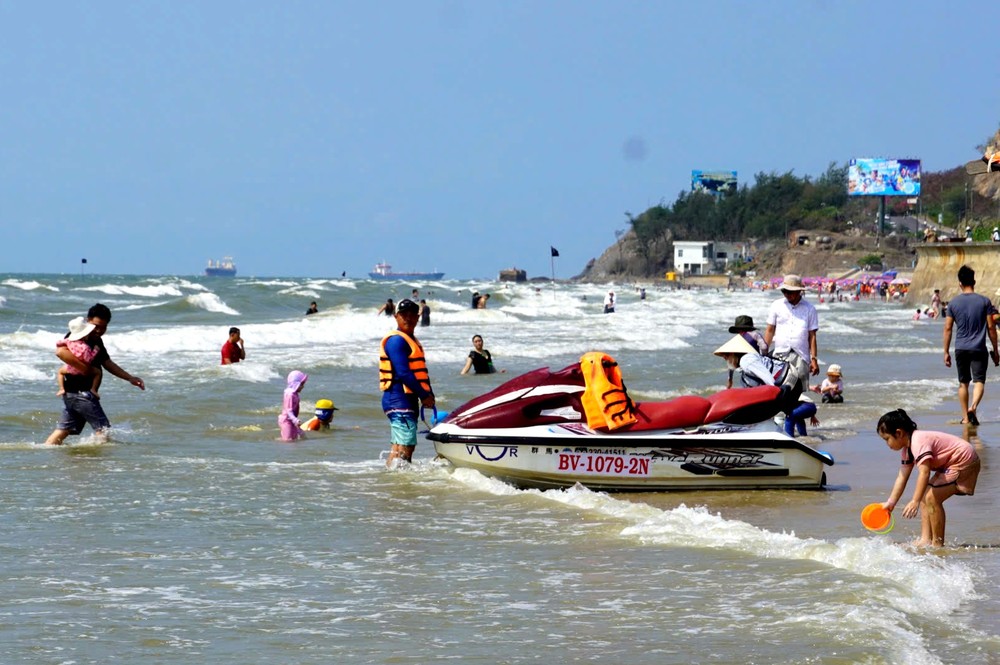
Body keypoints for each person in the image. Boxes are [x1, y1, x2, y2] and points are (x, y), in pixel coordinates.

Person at [876, 408, 980, 547]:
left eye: (887, 439)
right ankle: (926, 539)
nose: (887, 444)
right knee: (926, 495)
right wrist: (891, 502)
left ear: (899, 433)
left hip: (964, 461)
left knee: (931, 498)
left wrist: (914, 501)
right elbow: (902, 476)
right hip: (950, 463)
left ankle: (938, 544)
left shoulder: (918, 441)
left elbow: (924, 473)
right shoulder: (908, 450)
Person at [44, 303, 145, 445]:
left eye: (103, 327)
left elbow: (107, 363)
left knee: (63, 430)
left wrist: (130, 378)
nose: (99, 330)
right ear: (88, 320)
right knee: (103, 430)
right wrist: (87, 370)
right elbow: (60, 352)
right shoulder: (77, 336)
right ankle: (100, 464)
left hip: (72, 394)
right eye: (96, 326)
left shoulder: (96, 340)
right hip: (82, 394)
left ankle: (47, 455)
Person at [379, 299, 434, 466]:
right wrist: (424, 395)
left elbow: (419, 372)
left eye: (412, 315)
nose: (408, 319)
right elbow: (403, 373)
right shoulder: (397, 341)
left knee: (398, 446)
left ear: (418, 318)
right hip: (398, 399)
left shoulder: (410, 339)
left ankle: (392, 482)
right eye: (403, 315)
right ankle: (401, 484)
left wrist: (429, 394)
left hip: (404, 400)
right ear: (396, 317)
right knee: (406, 445)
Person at [943, 264, 999, 425]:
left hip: (961, 348)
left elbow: (948, 328)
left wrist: (946, 351)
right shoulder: (984, 302)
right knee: (979, 381)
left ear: (960, 283)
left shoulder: (953, 303)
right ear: (974, 281)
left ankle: (965, 418)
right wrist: (996, 350)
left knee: (963, 383)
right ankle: (973, 407)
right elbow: (990, 327)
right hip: (979, 348)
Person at [764, 274, 819, 382]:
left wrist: (814, 359)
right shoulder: (777, 305)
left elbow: (812, 336)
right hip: (780, 354)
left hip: (801, 356)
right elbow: (770, 330)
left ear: (799, 291)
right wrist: (764, 352)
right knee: (779, 386)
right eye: (784, 291)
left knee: (797, 388)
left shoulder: (810, 309)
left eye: (790, 292)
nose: (786, 294)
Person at [55, 316, 103, 399]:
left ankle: (62, 388)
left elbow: (59, 343)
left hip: (70, 368)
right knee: (98, 372)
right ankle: (93, 389)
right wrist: (95, 350)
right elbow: (89, 359)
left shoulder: (68, 341)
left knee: (60, 372)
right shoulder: (85, 347)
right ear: (85, 334)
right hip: (83, 369)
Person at [278, 370, 308, 441]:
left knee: (299, 437)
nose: (303, 387)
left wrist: (294, 420)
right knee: (288, 441)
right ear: (296, 384)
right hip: (287, 421)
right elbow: (289, 410)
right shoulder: (290, 394)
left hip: (292, 420)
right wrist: (295, 420)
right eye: (301, 384)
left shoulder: (294, 393)